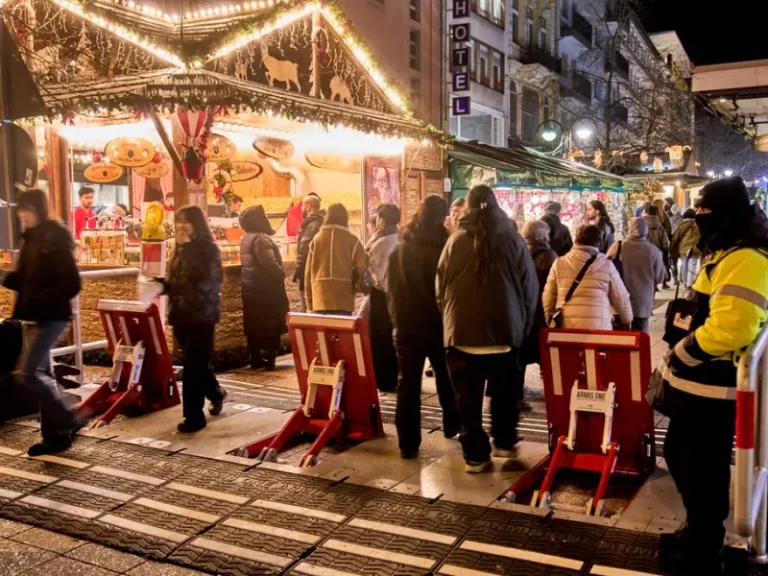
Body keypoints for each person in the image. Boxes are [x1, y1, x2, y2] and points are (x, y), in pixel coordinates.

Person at [659, 177, 768, 575]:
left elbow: (733, 328)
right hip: (700, 385)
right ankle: (698, 531)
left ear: (727, 215)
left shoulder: (746, 258)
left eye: (705, 212)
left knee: (699, 465)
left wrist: (681, 353)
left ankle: (704, 547)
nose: (699, 218)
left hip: (715, 385)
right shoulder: (729, 251)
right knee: (683, 456)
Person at [436, 185, 538, 473]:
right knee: (504, 396)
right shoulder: (514, 241)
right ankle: (504, 442)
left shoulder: (455, 241)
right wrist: (522, 326)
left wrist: (450, 319)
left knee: (466, 401)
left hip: (461, 335)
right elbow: (529, 290)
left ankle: (475, 457)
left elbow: (440, 288)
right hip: (504, 334)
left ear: (467, 208)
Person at [0, 190, 81, 456]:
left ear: (39, 210)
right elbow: (23, 280)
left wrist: (41, 299)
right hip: (32, 317)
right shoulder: (30, 240)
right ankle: (56, 437)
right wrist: (3, 276)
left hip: (52, 316)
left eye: (27, 210)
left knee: (28, 373)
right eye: (21, 211)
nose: (23, 215)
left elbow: (71, 282)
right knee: (42, 375)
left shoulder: (55, 238)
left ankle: (69, 414)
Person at [387, 196, 460, 458]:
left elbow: (391, 291)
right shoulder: (444, 249)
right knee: (447, 378)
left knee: (407, 384)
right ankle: (453, 425)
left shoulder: (399, 250)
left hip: (406, 326)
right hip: (439, 325)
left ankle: (408, 443)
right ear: (442, 219)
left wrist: (396, 320)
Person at [157, 206, 225, 433]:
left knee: (192, 367)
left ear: (196, 224)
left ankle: (194, 417)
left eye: (185, 221)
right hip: (181, 315)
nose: (180, 226)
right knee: (195, 363)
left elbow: (209, 282)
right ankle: (216, 393)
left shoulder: (208, 250)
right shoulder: (179, 250)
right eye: (178, 222)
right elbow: (176, 280)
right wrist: (160, 285)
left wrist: (187, 250)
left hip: (201, 316)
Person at [543, 225, 632, 330]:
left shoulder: (559, 263)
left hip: (566, 326)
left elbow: (549, 296)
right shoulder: (606, 265)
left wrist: (549, 319)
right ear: (598, 241)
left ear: (576, 239)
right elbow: (620, 297)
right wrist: (627, 320)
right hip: (599, 327)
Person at [240, 205, 289, 371]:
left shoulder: (246, 237)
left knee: (254, 325)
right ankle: (270, 360)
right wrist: (280, 273)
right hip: (265, 290)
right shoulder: (261, 238)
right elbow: (268, 262)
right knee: (269, 324)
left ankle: (256, 359)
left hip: (251, 289)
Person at [518, 220, 557, 409]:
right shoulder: (549, 256)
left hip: (521, 313)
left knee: (520, 358)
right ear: (542, 235)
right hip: (540, 313)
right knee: (546, 358)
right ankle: (552, 393)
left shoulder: (518, 251)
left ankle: (517, 397)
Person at [305, 203, 367, 315]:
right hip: (344, 299)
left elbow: (308, 273)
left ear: (327, 217)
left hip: (320, 299)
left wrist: (309, 304)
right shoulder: (353, 240)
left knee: (323, 332)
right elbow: (362, 268)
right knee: (342, 332)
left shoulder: (316, 240)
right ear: (345, 218)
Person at [606, 218, 665, 333]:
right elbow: (660, 277)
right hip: (642, 301)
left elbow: (605, 269)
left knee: (620, 336)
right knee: (640, 336)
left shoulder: (618, 246)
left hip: (619, 298)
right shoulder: (653, 251)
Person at [366, 203, 400, 392]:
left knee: (381, 338)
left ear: (382, 220)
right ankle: (394, 376)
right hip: (399, 295)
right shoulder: (401, 237)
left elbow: (374, 274)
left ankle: (384, 380)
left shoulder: (380, 242)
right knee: (394, 337)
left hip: (381, 295)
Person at [293, 193, 324, 312]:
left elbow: (304, 250)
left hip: (307, 271)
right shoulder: (321, 223)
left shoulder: (311, 225)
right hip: (316, 271)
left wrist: (299, 272)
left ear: (309, 206)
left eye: (302, 206)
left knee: (307, 309)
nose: (301, 209)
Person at [670, 208, 701, 288]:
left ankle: (684, 281)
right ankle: (689, 284)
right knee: (692, 266)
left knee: (684, 265)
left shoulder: (682, 225)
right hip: (695, 248)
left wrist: (671, 247)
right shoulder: (698, 225)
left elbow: (675, 237)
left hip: (683, 249)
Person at [644, 204, 671, 289]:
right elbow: (664, 240)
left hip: (646, 250)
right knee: (660, 267)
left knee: (649, 268)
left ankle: (653, 285)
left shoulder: (643, 224)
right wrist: (666, 249)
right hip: (658, 250)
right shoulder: (659, 226)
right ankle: (663, 283)